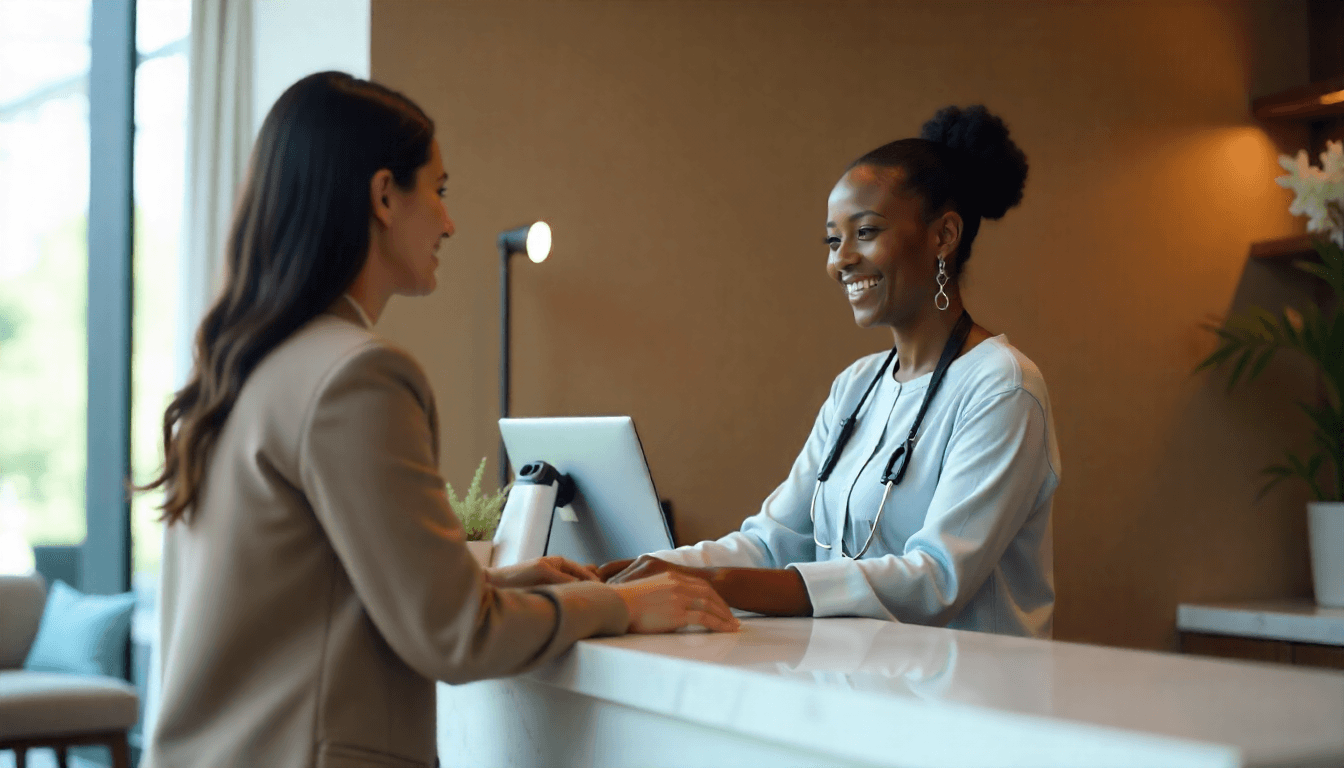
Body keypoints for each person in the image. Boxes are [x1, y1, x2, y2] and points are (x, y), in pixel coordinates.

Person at [139, 72, 737, 768]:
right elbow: (453, 639)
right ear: (384, 194)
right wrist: (624, 607)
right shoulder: (356, 376)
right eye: (440, 190)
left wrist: (503, 584)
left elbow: (320, 601)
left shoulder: (236, 369)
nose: (450, 222)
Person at [602, 105, 1060, 638]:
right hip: (861, 691)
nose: (840, 259)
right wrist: (637, 573)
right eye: (832, 239)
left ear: (944, 236)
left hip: (972, 706)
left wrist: (717, 583)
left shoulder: (1002, 386)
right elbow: (773, 541)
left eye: (864, 232)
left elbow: (936, 580)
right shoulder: (857, 387)